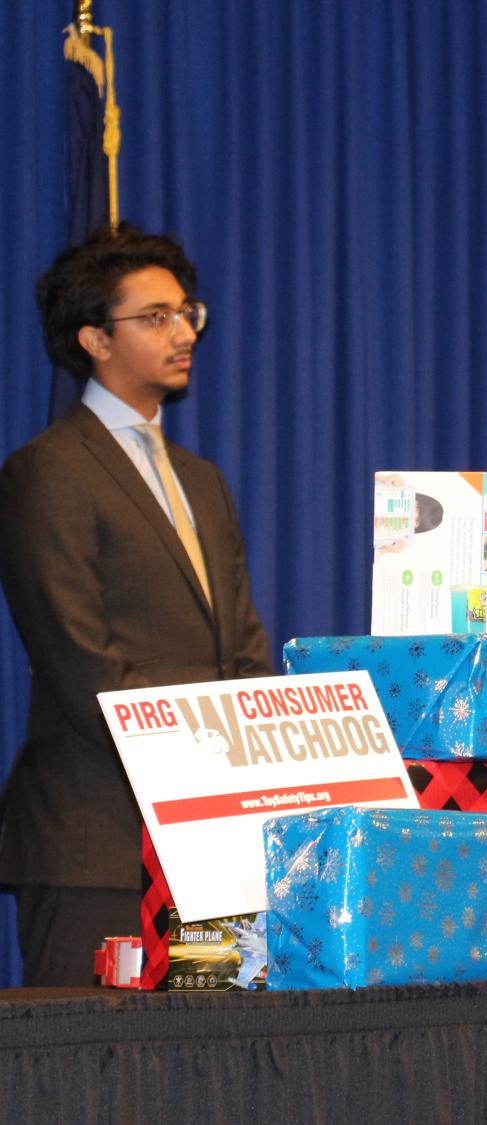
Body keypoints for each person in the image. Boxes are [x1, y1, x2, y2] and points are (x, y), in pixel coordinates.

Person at [0, 224, 273, 986]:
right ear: (94, 338)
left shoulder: (203, 479)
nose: (184, 331)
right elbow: (81, 660)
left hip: (214, 844)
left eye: (188, 313)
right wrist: (205, 765)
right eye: (155, 317)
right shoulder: (47, 471)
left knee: (210, 1072)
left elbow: (242, 645)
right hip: (98, 843)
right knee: (89, 1079)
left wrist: (251, 776)